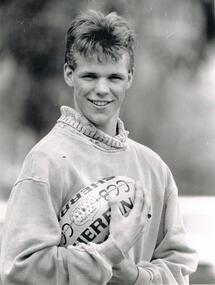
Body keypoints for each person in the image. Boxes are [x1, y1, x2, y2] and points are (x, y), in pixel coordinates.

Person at [0, 10, 198, 285]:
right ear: (69, 74)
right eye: (90, 76)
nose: (102, 89)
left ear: (129, 77)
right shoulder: (44, 162)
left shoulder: (155, 168)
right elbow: (20, 269)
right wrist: (109, 252)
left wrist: (135, 276)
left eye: (114, 77)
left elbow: (179, 270)